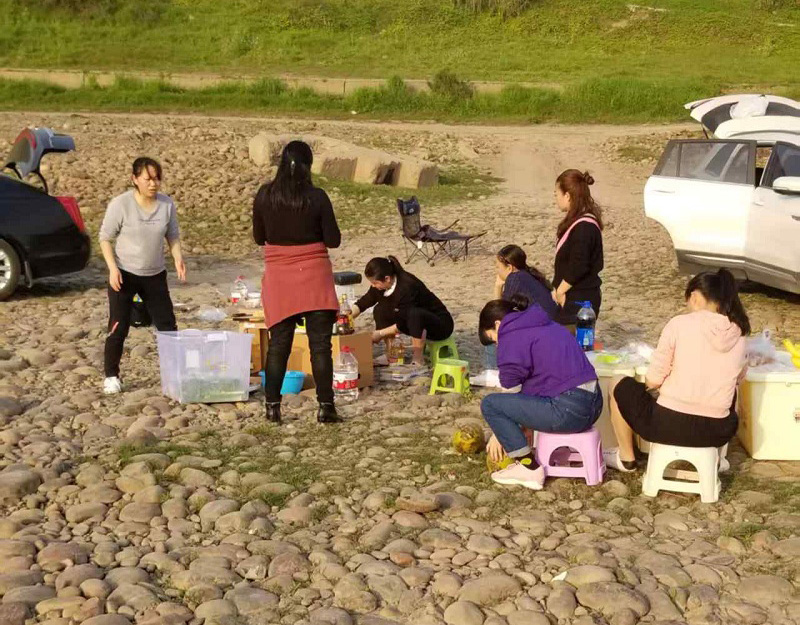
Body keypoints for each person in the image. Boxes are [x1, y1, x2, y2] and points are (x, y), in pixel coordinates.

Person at [604, 269, 750, 472]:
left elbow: (653, 380)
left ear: (695, 297)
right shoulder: (739, 333)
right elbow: (738, 379)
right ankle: (715, 459)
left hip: (667, 425)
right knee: (730, 391)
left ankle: (626, 457)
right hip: (718, 431)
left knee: (618, 383)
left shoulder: (679, 324)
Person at [253, 140, 342, 425]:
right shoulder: (317, 197)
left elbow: (259, 237)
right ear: (308, 166)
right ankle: (326, 407)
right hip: (314, 274)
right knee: (320, 346)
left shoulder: (265, 195)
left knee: (279, 345)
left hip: (280, 277)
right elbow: (334, 240)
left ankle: (272, 407)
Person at [479, 296, 603, 490]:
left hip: (568, 410)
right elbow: (536, 383)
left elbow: (510, 390)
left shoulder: (511, 335)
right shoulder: (546, 325)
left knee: (490, 404)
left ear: (497, 324)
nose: (497, 345)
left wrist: (499, 435)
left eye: (493, 339)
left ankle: (529, 468)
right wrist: (526, 422)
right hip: (594, 405)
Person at [99, 157, 185, 395]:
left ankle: (175, 374)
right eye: (148, 179)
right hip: (124, 273)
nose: (153, 184)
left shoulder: (166, 204)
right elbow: (105, 238)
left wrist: (178, 258)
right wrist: (113, 269)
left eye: (157, 178)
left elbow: (172, 235)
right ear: (135, 179)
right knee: (118, 325)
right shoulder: (121, 204)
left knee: (167, 325)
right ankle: (111, 376)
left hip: (155, 274)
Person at [474, 245, 557, 388]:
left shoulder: (514, 278)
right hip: (550, 328)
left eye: (498, 267)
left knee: (491, 332)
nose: (497, 271)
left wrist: (497, 287)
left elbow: (499, 313)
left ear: (510, 267)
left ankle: (493, 372)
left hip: (540, 332)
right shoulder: (529, 276)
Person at [351, 256, 453, 366]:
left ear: (387, 279)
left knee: (415, 314)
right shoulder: (381, 286)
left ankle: (418, 358)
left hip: (438, 324)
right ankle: (391, 354)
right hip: (410, 322)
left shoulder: (408, 287)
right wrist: (346, 317)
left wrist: (379, 334)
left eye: (374, 283)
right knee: (380, 310)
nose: (373, 286)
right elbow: (364, 302)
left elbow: (403, 322)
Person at [551, 169, 604, 329]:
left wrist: (560, 290)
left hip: (579, 301)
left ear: (567, 195)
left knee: (572, 341)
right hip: (573, 297)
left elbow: (579, 264)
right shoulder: (577, 222)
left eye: (556, 193)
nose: (555, 197)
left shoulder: (584, 227)